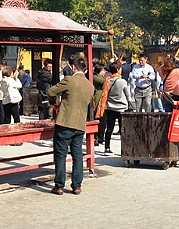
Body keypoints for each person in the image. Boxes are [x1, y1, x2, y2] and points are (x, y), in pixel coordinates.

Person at [48, 57, 95, 195]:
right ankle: (77, 186)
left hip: (65, 122)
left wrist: (55, 102)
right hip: (80, 124)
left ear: (73, 68)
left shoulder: (69, 80)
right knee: (77, 155)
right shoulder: (90, 86)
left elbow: (51, 92)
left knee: (61, 154)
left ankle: (59, 186)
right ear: (85, 70)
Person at [102, 62, 131, 154]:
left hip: (110, 107)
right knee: (123, 129)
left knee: (110, 128)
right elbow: (128, 94)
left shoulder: (107, 80)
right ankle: (125, 149)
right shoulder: (122, 81)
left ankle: (106, 148)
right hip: (121, 107)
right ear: (118, 70)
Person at [92, 60, 106, 146]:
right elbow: (105, 82)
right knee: (97, 120)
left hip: (103, 102)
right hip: (97, 101)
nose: (104, 72)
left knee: (103, 122)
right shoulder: (95, 77)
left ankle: (101, 137)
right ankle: (96, 138)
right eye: (103, 70)